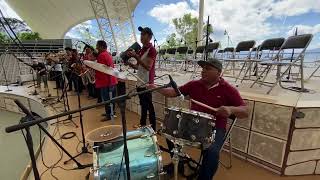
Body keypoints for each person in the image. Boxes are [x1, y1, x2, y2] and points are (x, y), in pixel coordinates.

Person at [148, 58, 248, 180]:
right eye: (203, 68)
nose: (203, 71)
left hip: (214, 127)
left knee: (211, 152)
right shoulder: (194, 84)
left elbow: (245, 111)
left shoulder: (228, 89)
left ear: (219, 72)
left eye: (208, 68)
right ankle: (179, 164)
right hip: (193, 123)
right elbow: (173, 92)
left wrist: (231, 110)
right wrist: (156, 88)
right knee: (170, 133)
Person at [126, 26, 157, 130]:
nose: (141, 36)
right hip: (140, 80)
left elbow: (148, 67)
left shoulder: (151, 50)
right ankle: (142, 124)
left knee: (149, 106)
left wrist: (135, 56)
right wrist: (131, 65)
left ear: (149, 36)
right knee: (143, 105)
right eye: (141, 34)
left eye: (143, 34)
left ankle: (153, 128)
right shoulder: (142, 50)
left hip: (147, 82)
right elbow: (140, 66)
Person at [95, 40, 118, 121]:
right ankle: (111, 112)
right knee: (111, 99)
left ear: (101, 46)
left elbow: (101, 69)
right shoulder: (107, 54)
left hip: (106, 82)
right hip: (111, 80)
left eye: (97, 46)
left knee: (107, 99)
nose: (96, 47)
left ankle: (109, 115)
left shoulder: (101, 55)